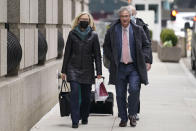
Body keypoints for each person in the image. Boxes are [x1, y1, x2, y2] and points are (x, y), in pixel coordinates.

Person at [103, 7, 151, 127]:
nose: (124, 18)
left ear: (130, 17)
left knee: (134, 90)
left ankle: (133, 115)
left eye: (126, 16)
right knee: (120, 94)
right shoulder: (113, 30)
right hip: (119, 67)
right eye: (122, 16)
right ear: (120, 17)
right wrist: (112, 57)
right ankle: (123, 118)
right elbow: (106, 46)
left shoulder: (138, 30)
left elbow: (146, 45)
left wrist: (145, 58)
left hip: (134, 67)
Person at [61, 12, 102, 128]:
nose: (84, 21)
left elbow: (98, 55)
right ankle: (75, 120)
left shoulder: (94, 35)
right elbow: (67, 53)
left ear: (89, 21)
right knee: (74, 93)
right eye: (82, 19)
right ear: (78, 20)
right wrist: (64, 71)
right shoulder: (72, 34)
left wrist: (99, 72)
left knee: (86, 97)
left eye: (86, 19)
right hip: (73, 67)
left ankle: (84, 116)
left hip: (88, 69)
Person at [128, 5, 153, 120]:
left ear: (135, 13)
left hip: (137, 63)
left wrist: (148, 61)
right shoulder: (119, 25)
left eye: (132, 13)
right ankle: (124, 110)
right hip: (123, 62)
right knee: (123, 88)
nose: (130, 15)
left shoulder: (142, 26)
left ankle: (134, 111)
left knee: (135, 88)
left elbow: (148, 44)